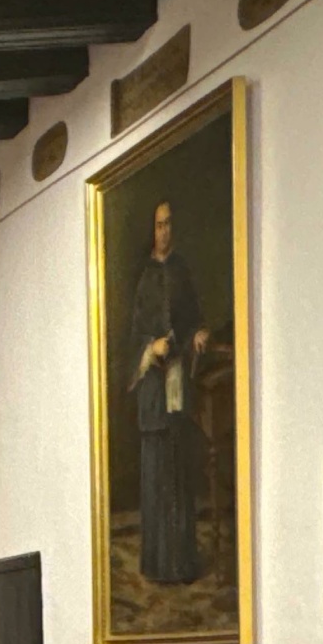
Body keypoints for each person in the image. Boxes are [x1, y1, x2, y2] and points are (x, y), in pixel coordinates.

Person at [126, 199, 210, 586]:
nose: (164, 231)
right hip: (152, 392)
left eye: (169, 224)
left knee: (178, 473)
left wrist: (197, 333)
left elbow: (193, 317)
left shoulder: (183, 272)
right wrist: (149, 348)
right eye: (158, 225)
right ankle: (157, 563)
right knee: (156, 475)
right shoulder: (143, 278)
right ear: (152, 229)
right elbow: (133, 337)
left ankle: (181, 562)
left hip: (176, 384)